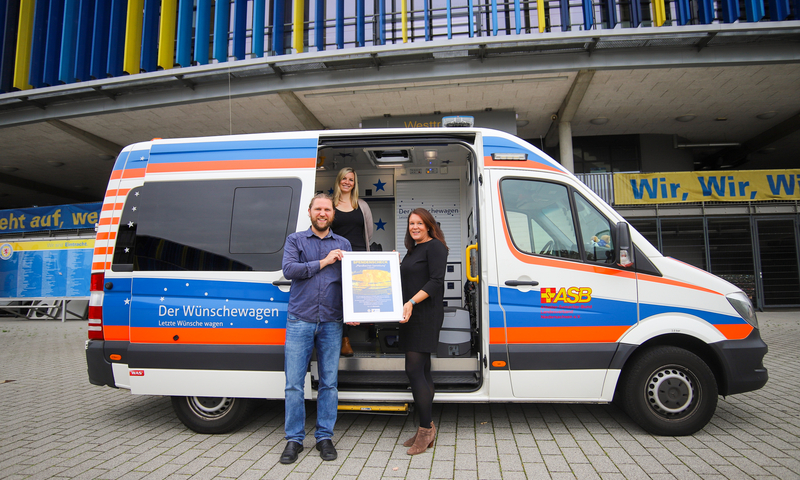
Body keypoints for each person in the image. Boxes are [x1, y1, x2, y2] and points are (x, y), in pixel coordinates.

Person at [279, 193, 352, 464]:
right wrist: (324, 262)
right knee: (294, 384)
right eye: (318, 209)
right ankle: (294, 440)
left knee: (329, 383)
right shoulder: (295, 240)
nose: (322, 213)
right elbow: (289, 270)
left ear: (333, 214)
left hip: (332, 321)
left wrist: (354, 310)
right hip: (300, 319)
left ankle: (324, 437)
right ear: (310, 211)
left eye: (327, 209)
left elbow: (351, 280)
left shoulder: (344, 244)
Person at [398, 208, 448, 455]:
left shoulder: (435, 247)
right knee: (423, 370)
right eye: (411, 223)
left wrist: (411, 302)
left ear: (429, 225)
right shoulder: (413, 250)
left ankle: (425, 429)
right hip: (410, 314)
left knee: (414, 369)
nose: (415, 227)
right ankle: (426, 428)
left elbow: (436, 281)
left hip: (425, 315)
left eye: (419, 223)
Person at [331, 167, 374, 357]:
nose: (347, 182)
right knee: (339, 298)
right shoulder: (330, 205)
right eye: (344, 178)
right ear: (338, 181)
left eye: (351, 179)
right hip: (337, 258)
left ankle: (360, 333)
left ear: (355, 183)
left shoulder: (362, 205)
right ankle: (344, 339)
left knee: (357, 297)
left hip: (358, 258)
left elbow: (368, 233)